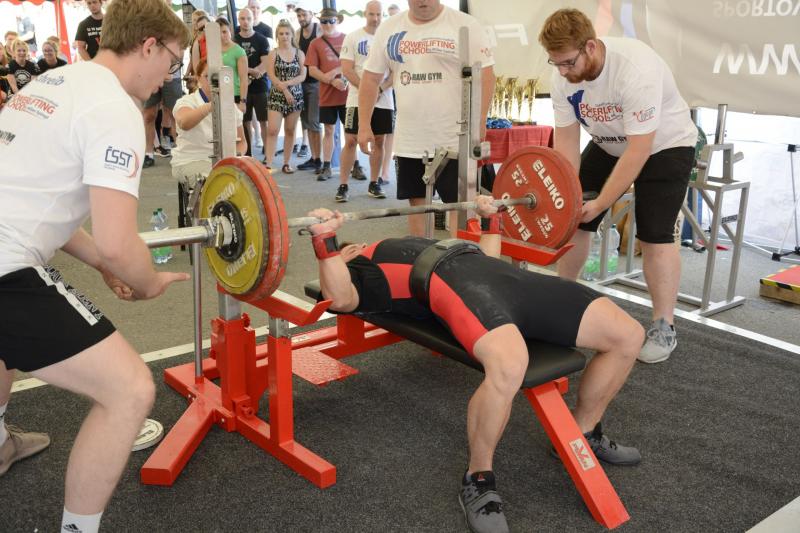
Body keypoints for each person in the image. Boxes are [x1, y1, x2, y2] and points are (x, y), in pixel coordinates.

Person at [306, 197, 644, 533]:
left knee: (628, 335)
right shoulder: (363, 266)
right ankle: (478, 478)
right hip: (455, 284)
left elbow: (488, 258)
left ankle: (582, 433)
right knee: (509, 366)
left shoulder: (407, 245)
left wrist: (490, 219)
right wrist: (327, 243)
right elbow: (340, 298)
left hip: (502, 277)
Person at [0, 1, 190, 532]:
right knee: (129, 391)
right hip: (5, 264)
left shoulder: (52, 83)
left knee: (7, 339)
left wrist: (105, 264)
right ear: (149, 45)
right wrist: (146, 282)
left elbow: (41, 206)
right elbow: (118, 242)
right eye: (172, 61)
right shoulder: (115, 109)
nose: (168, 76)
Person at [539, 9, 697, 364]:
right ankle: (562, 300)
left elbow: (639, 150)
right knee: (575, 218)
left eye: (568, 63)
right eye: (555, 63)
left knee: (655, 233)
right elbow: (567, 142)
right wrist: (570, 195)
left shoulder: (635, 69)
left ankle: (664, 326)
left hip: (664, 144)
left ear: (590, 47)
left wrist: (601, 202)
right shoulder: (562, 77)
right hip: (609, 142)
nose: (562, 71)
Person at [358, 0, 495, 237]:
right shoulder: (389, 28)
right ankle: (421, 256)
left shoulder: (465, 25)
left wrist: (480, 120)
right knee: (417, 204)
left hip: (455, 137)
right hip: (411, 139)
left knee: (460, 205)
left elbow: (486, 75)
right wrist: (363, 125)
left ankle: (461, 258)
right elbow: (370, 79)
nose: (422, 1)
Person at [337, 0, 392, 202]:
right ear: (365, 14)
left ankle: (374, 183)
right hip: (355, 99)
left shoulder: (389, 38)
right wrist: (367, 90)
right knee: (351, 140)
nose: (375, 18)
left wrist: (379, 89)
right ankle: (343, 184)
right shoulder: (353, 37)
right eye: (371, 14)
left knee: (380, 141)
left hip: (383, 99)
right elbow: (347, 69)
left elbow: (395, 71)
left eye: (379, 14)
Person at [171, 58, 246, 190]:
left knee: (250, 184)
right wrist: (211, 106)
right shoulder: (187, 102)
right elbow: (184, 123)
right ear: (198, 79)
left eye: (220, 77)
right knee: (220, 183)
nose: (215, 82)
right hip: (191, 159)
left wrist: (236, 157)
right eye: (209, 77)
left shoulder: (231, 106)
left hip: (223, 162)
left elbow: (241, 142)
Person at [305, 7, 347, 182]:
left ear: (338, 21)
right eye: (324, 21)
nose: (327, 24)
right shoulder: (315, 43)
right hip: (327, 94)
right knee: (328, 130)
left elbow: (355, 64)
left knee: (350, 132)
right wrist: (331, 81)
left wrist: (337, 72)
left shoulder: (347, 39)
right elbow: (312, 70)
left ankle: (356, 165)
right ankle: (327, 165)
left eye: (331, 21)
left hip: (347, 94)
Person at [264, 20, 305, 173]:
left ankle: (286, 163)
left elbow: (303, 75)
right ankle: (268, 163)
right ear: (277, 36)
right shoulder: (273, 53)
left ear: (292, 35)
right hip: (277, 95)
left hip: (295, 96)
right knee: (272, 130)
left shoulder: (299, 53)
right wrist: (285, 90)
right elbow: (271, 75)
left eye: (287, 33)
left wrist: (287, 84)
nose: (284, 36)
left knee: (290, 130)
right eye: (281, 34)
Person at [235, 7, 270, 159]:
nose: (246, 21)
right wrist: (249, 71)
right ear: (239, 20)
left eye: (248, 18)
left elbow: (265, 63)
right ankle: (248, 153)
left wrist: (254, 72)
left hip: (260, 86)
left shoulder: (261, 39)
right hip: (242, 87)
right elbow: (233, 64)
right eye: (242, 18)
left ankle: (268, 154)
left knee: (264, 121)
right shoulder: (234, 40)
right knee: (245, 122)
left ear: (253, 19)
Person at [295, 3, 323, 172]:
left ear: (311, 14)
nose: (301, 18)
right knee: (306, 121)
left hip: (315, 82)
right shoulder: (297, 33)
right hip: (301, 82)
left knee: (314, 121)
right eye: (299, 15)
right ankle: (314, 157)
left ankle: (318, 159)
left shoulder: (319, 30)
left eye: (304, 14)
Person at [217, 17, 248, 115]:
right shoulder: (214, 50)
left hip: (234, 94)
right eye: (218, 33)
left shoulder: (239, 51)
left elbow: (244, 79)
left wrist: (243, 101)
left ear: (230, 31)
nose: (222, 36)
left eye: (224, 32)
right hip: (218, 94)